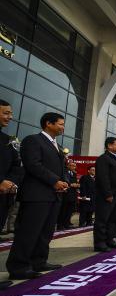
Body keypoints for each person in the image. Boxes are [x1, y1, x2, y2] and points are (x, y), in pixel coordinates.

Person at [6, 112, 67, 280]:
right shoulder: (33, 140)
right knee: (29, 232)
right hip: (36, 195)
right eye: (60, 124)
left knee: (45, 232)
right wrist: (55, 180)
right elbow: (33, 165)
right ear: (49, 123)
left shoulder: (57, 146)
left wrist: (63, 182)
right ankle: (19, 266)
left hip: (53, 195)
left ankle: (39, 260)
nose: (63, 127)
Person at [0, 99, 24, 289]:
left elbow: (17, 164)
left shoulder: (8, 140)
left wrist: (11, 181)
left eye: (10, 113)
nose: (10, 117)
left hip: (5, 194)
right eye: (6, 113)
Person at [94, 137, 116, 252]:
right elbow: (103, 178)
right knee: (103, 219)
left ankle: (110, 240)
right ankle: (100, 243)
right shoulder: (103, 159)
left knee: (114, 219)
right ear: (109, 146)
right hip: (108, 195)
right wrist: (108, 193)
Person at [58, 161, 79, 230]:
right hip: (65, 194)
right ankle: (60, 225)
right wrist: (71, 185)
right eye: (72, 165)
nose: (73, 167)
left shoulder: (74, 173)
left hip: (72, 194)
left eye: (74, 166)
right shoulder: (64, 172)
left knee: (70, 211)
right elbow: (64, 181)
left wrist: (77, 185)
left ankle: (67, 223)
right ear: (68, 166)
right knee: (63, 210)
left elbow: (75, 182)